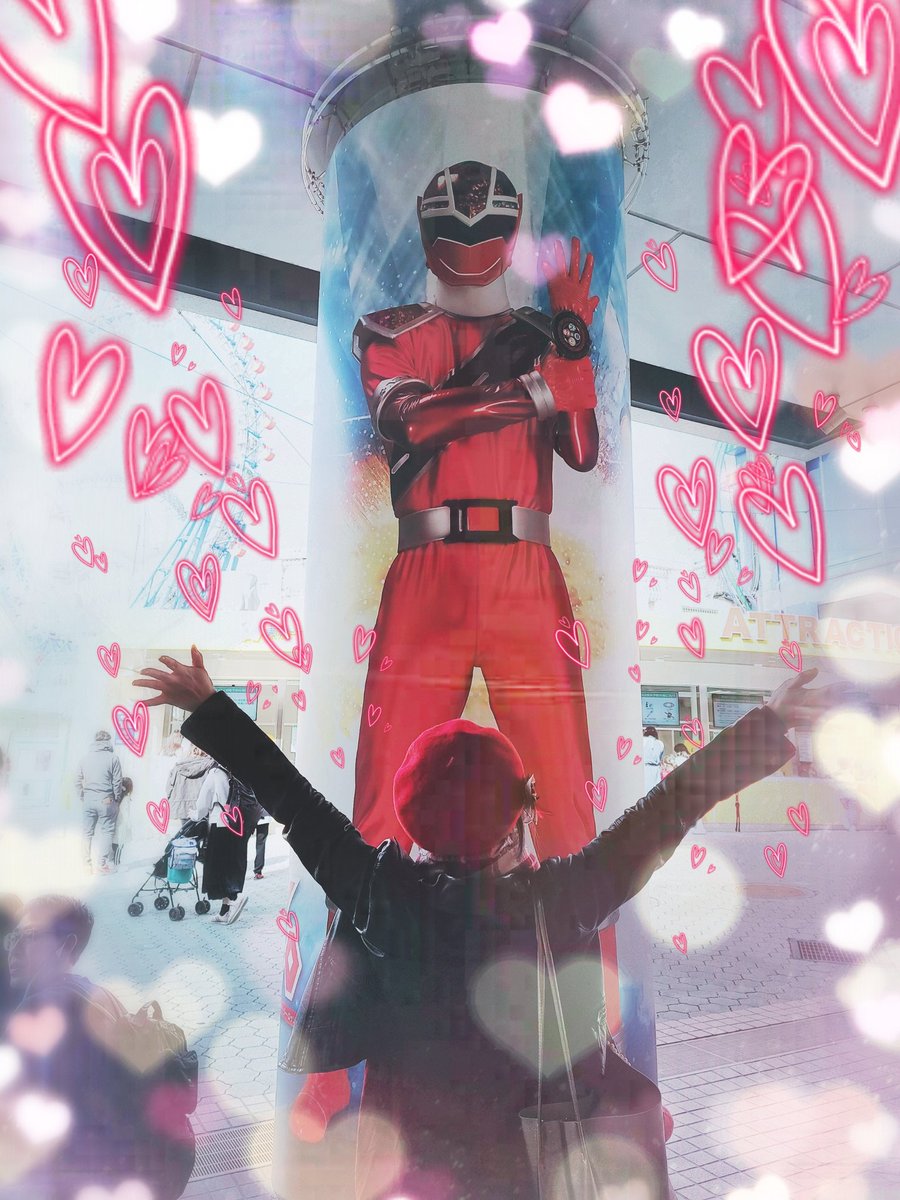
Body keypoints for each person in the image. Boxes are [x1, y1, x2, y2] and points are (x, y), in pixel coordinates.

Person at [133, 648, 845, 1200]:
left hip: (405, 1164)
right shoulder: (561, 897)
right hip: (529, 1165)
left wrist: (208, 707)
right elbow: (670, 809)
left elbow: (293, 800)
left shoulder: (379, 893)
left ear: (412, 820)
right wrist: (768, 723)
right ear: (516, 818)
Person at [305, 163, 611, 1135]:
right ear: (432, 230)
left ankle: (592, 1049)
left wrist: (569, 343)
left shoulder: (535, 330)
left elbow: (583, 447)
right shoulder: (391, 329)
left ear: (507, 229)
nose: (472, 239)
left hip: (524, 565)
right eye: (456, 223)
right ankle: (327, 1066)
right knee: (372, 818)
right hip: (428, 565)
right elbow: (413, 423)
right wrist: (541, 378)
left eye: (486, 224)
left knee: (569, 816)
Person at [1, 895, 195, 1199]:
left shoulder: (41, 1012)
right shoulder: (97, 993)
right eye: (14, 938)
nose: (14, 949)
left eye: (30, 937)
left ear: (66, 945)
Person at [192, 757, 253, 924]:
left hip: (220, 824)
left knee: (219, 868)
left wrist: (195, 815)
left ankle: (234, 901)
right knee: (232, 865)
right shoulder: (237, 773)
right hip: (238, 824)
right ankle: (225, 910)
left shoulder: (215, 773)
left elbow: (203, 802)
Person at [76, 730, 123, 874]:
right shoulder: (113, 758)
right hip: (106, 799)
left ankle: (86, 865)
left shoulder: (84, 758)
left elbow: (77, 780)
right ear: (107, 741)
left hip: (88, 799)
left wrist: (83, 796)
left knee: (86, 833)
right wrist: (117, 798)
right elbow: (117, 782)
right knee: (107, 832)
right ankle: (101, 865)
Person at [166, 744, 213, 827]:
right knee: (201, 832)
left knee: (186, 831)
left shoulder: (178, 766)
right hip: (201, 808)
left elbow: (168, 788)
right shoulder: (209, 765)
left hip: (182, 807)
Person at [643, 725, 665, 793]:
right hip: (656, 768)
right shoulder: (660, 743)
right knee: (655, 790)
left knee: (645, 789)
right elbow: (660, 757)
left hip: (645, 767)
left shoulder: (642, 740)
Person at [253, 814, 269, 880]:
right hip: (263, 816)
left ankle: (239, 872)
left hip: (249, 814)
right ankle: (258, 872)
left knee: (243, 844)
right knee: (261, 843)